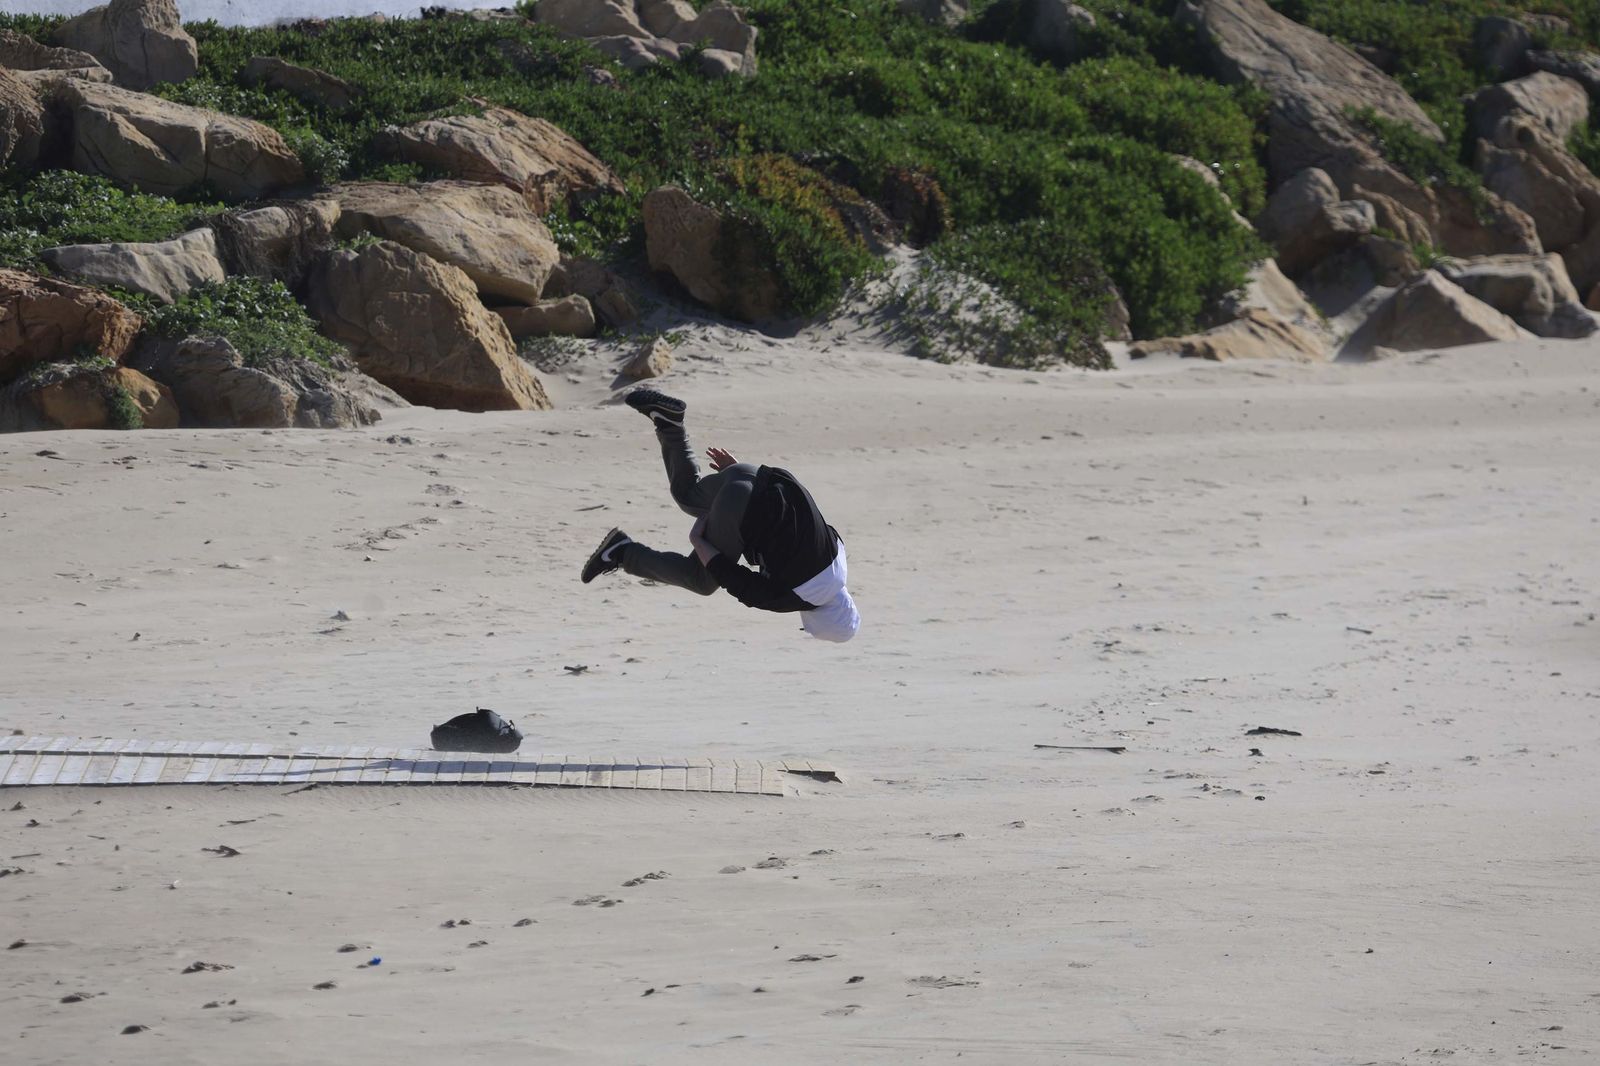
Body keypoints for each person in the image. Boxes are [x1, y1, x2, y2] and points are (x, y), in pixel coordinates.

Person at [581, 388, 859, 643]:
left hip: (760, 475)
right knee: (700, 580)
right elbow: (732, 579)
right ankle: (622, 552)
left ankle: (669, 422)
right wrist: (698, 542)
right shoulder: (794, 598)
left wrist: (743, 474)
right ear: (821, 620)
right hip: (743, 506)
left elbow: (796, 518)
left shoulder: (838, 554)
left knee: (688, 494)